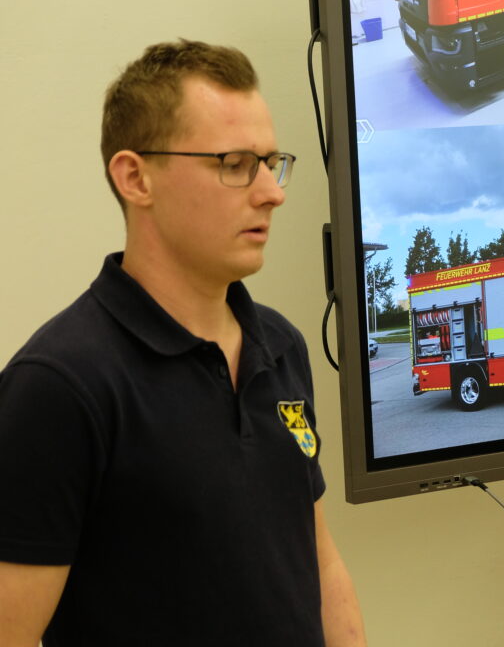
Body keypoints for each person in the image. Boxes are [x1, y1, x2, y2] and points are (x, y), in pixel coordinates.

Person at [0, 40, 367, 647]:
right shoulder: (59, 386)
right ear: (135, 177)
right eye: (234, 163)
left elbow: (320, 565)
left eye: (272, 163)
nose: (272, 192)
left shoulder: (280, 347)